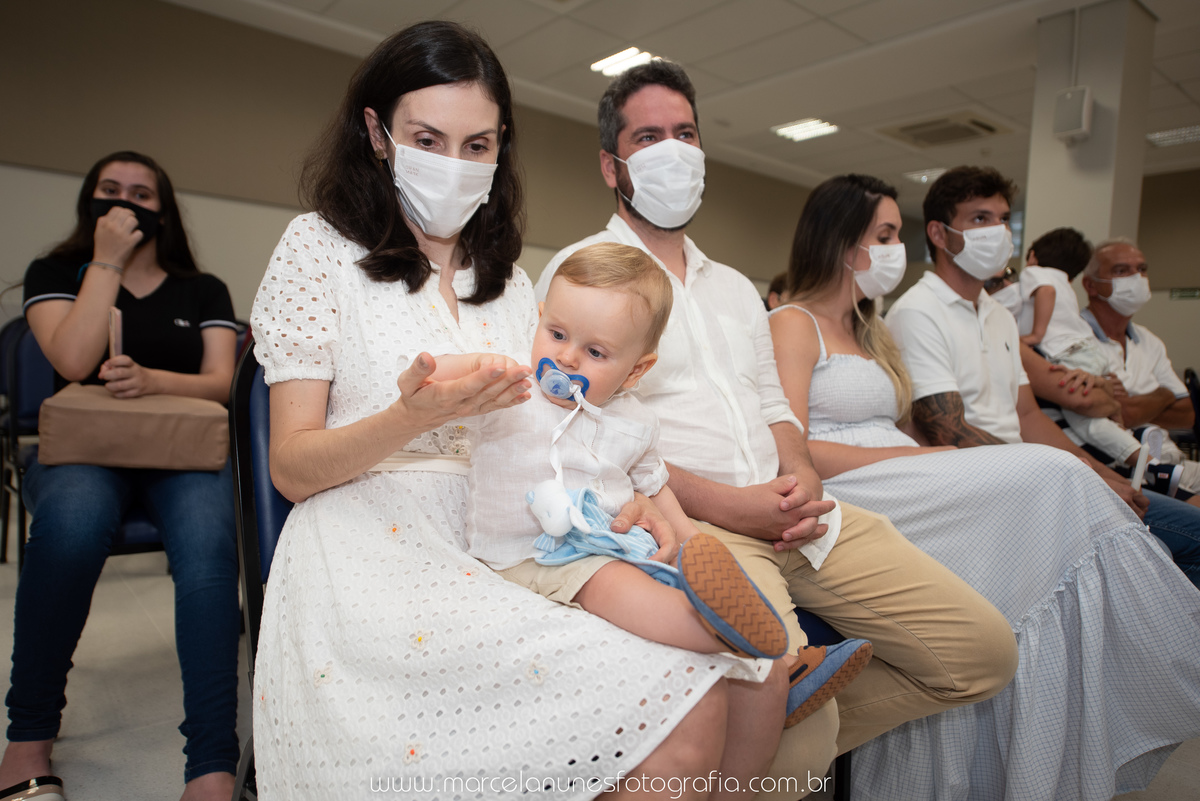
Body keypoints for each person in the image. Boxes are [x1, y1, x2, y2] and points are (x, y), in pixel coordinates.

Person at [249, 22, 827, 800]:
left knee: (723, 679)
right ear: (377, 133)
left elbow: (560, 428)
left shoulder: (513, 283)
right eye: (429, 138)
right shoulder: (317, 249)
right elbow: (290, 467)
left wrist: (632, 506)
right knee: (684, 707)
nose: (455, 165)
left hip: (510, 531)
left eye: (478, 145)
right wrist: (409, 416)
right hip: (373, 554)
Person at [535, 59, 1018, 777]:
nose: (674, 150)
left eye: (686, 133)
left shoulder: (733, 287)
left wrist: (799, 471)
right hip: (700, 528)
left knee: (982, 654)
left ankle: (761, 740)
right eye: (648, 137)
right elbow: (580, 433)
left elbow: (773, 408)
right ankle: (779, 738)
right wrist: (735, 506)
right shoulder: (580, 271)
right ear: (612, 165)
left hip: (801, 515)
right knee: (798, 733)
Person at [770, 172, 1200, 799]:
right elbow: (791, 443)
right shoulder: (792, 322)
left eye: (897, 233)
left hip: (905, 470)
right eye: (884, 235)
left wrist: (918, 456)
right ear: (840, 242)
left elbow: (932, 426)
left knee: (1057, 496)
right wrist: (917, 459)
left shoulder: (872, 330)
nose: (896, 247)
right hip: (853, 484)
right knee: (1053, 472)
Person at [438, 243, 871, 741]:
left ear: (637, 370)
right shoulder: (513, 391)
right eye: (556, 334)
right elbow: (453, 378)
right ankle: (748, 640)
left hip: (611, 545)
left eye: (595, 352)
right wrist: (453, 370)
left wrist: (691, 544)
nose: (566, 356)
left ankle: (774, 662)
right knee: (622, 587)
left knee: (664, 575)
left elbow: (655, 486)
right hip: (532, 557)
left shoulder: (636, 422)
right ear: (538, 320)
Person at [3, 152, 241, 801]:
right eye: (111, 190)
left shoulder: (204, 289)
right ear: (90, 201)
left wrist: (152, 380)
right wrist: (105, 261)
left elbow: (222, 382)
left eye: (143, 192)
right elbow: (75, 358)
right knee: (72, 525)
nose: (127, 201)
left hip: (180, 448)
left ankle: (213, 764)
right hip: (86, 449)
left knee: (212, 548)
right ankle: (26, 740)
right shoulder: (53, 272)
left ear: (163, 211)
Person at [885, 164, 1200, 587]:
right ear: (940, 235)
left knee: (1188, 532)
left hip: (1031, 473)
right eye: (980, 219)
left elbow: (1029, 418)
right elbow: (949, 431)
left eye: (1001, 219)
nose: (997, 231)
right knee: (1159, 552)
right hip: (984, 485)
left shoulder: (997, 315)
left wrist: (1104, 476)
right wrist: (1072, 477)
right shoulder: (918, 311)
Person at [1080, 238, 1199, 496]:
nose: (1136, 278)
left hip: (1169, 458)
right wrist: (1165, 395)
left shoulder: (1149, 341)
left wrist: (1133, 404)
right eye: (1121, 271)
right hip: (1125, 469)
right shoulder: (1075, 339)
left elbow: (1187, 414)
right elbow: (1117, 412)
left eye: (1142, 269)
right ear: (1090, 285)